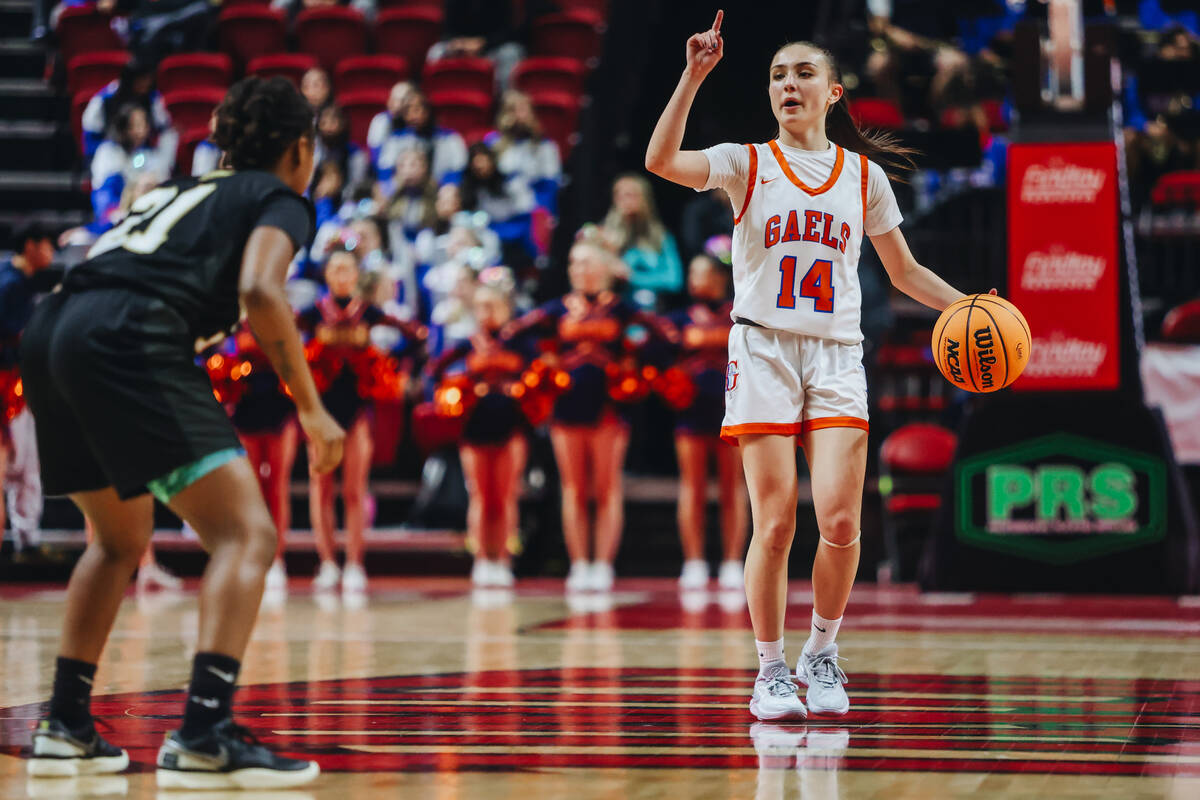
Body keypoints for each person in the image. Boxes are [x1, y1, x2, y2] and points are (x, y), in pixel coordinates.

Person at [645, 11, 976, 721]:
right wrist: (694, 75)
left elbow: (906, 272)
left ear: (833, 92)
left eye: (803, 73)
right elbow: (662, 162)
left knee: (840, 522)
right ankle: (769, 669)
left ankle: (822, 653)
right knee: (773, 527)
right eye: (776, 75)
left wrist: (971, 305)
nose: (787, 84)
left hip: (835, 354)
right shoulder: (746, 161)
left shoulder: (863, 177)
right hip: (762, 348)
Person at [20, 76, 342, 788]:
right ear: (299, 148)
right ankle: (204, 732)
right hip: (129, 332)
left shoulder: (175, 190)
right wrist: (313, 409)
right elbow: (261, 288)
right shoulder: (279, 197)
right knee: (247, 536)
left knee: (118, 540)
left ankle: (64, 723)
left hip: (51, 332)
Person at [501, 235, 677, 593]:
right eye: (574, 263)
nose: (579, 270)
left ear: (605, 269)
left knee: (606, 488)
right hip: (566, 407)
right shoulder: (558, 309)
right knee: (574, 489)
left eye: (587, 263)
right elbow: (513, 334)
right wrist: (545, 357)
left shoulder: (620, 309)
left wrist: (632, 358)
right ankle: (580, 564)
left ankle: (603, 565)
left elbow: (666, 336)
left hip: (609, 408)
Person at [298, 246, 427, 595]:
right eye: (335, 269)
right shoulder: (312, 313)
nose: (341, 275)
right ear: (326, 275)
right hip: (321, 410)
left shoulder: (368, 312)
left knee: (355, 489)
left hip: (357, 409)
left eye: (347, 269)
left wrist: (401, 372)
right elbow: (280, 340)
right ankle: (327, 563)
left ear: (356, 275)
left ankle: (355, 563)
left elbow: (417, 335)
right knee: (321, 488)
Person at [427, 269, 531, 587]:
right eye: (481, 306)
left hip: (511, 426)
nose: (487, 313)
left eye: (493, 306)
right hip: (474, 427)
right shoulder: (466, 344)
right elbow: (434, 371)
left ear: (507, 308)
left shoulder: (522, 343)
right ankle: (482, 560)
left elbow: (539, 377)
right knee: (481, 496)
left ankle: (504, 558)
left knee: (506, 495)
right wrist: (451, 392)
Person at [661, 248, 747, 592]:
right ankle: (694, 561)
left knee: (732, 488)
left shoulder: (738, 314)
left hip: (732, 412)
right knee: (692, 488)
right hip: (692, 415)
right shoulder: (679, 320)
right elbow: (663, 362)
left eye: (705, 273)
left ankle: (731, 562)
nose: (699, 280)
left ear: (720, 277)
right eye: (693, 273)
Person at [1, 222, 54, 562]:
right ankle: (24, 537)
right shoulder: (10, 287)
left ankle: (26, 537)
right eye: (47, 244)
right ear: (32, 245)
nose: (51, 252)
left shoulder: (16, 282)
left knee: (23, 465)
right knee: (16, 465)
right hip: (8, 389)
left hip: (15, 386)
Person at [602, 173, 683, 310]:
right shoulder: (605, 235)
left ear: (644, 198)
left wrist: (633, 277)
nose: (625, 201)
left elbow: (674, 280)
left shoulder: (660, 236)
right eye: (619, 195)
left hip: (652, 310)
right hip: (615, 310)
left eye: (630, 195)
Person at [90, 105, 172, 228]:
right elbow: (104, 194)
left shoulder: (147, 154)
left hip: (143, 213)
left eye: (145, 125)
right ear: (124, 129)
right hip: (113, 213)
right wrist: (116, 213)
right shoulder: (107, 152)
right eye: (137, 126)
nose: (143, 130)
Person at [80, 58, 176, 163]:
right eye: (141, 80)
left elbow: (164, 127)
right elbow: (91, 135)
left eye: (148, 80)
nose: (145, 84)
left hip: (142, 156)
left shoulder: (152, 98)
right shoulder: (104, 100)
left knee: (170, 137)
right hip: (111, 155)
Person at [485, 90, 562, 213]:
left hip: (531, 211)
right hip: (498, 210)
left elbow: (550, 185)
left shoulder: (545, 146)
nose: (521, 116)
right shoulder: (492, 143)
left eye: (525, 110)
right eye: (515, 111)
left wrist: (540, 212)